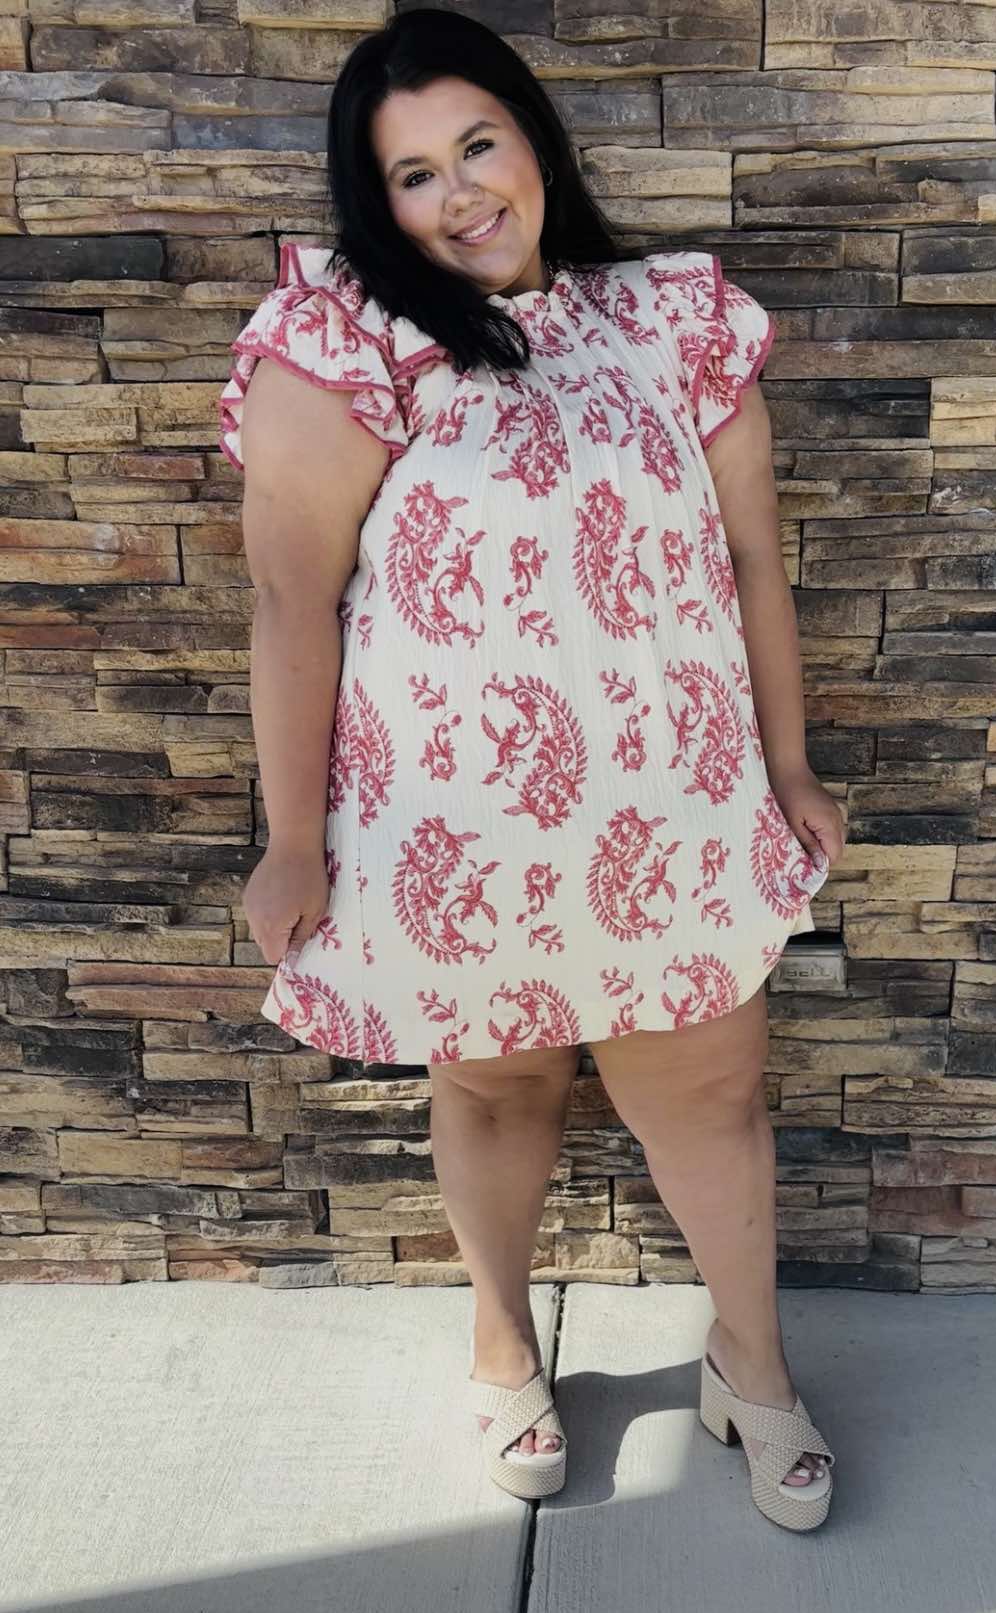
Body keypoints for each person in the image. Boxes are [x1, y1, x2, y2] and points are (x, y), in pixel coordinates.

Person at [218, 7, 844, 1532]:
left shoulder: (672, 322)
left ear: (534, 142)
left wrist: (785, 762)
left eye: (477, 145)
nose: (460, 194)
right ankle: (502, 1346)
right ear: (380, 204)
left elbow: (750, 559)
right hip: (462, 827)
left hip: (676, 805)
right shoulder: (353, 341)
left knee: (710, 1094)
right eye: (413, 174)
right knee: (496, 1086)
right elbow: (293, 599)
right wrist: (291, 838)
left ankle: (750, 1364)